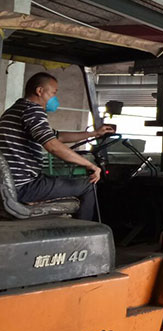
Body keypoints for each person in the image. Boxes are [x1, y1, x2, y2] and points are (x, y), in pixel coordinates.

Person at [0, 72, 114, 220]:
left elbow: (58, 137)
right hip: (24, 186)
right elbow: (53, 145)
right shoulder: (32, 110)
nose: (55, 98)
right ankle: (85, 232)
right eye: (53, 93)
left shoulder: (16, 110)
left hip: (15, 184)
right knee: (88, 185)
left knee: (63, 180)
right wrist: (89, 164)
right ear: (40, 91)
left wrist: (94, 133)